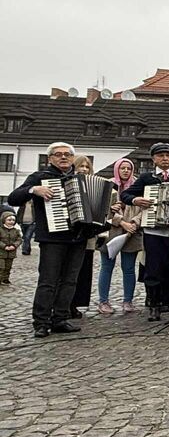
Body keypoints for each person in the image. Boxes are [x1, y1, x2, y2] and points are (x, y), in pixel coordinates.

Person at [9, 142, 87, 337]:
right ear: (50, 158)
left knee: (70, 281)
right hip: (52, 238)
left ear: (72, 158)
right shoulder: (40, 177)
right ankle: (41, 322)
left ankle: (60, 318)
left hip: (78, 237)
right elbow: (13, 198)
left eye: (67, 154)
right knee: (48, 281)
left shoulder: (81, 179)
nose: (63, 157)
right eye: (58, 154)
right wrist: (33, 190)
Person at [122, 143, 169, 322]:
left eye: (168, 155)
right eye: (160, 155)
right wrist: (136, 200)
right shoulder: (146, 179)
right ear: (153, 159)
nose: (165, 158)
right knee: (154, 269)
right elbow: (125, 195)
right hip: (154, 231)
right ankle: (155, 306)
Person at [98, 158, 142, 314]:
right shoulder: (108, 185)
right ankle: (103, 301)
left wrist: (135, 223)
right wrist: (121, 222)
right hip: (111, 232)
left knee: (129, 268)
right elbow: (102, 209)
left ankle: (128, 301)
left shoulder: (138, 186)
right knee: (106, 267)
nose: (125, 171)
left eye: (128, 168)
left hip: (132, 232)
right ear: (117, 169)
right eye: (122, 168)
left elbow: (145, 209)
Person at [70, 155, 101, 318]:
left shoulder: (94, 184)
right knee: (67, 272)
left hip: (88, 237)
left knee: (83, 272)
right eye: (80, 166)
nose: (83, 169)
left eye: (86, 166)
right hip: (68, 235)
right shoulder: (67, 183)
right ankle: (63, 304)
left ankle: (75, 304)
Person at [0, 211, 22, 286]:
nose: (11, 222)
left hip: (11, 253)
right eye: (9, 220)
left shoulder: (16, 231)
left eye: (13, 220)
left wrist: (14, 245)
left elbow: (19, 240)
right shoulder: (1, 230)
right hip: (1, 253)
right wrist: (4, 246)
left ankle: (5, 279)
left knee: (8, 267)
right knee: (1, 267)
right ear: (4, 220)